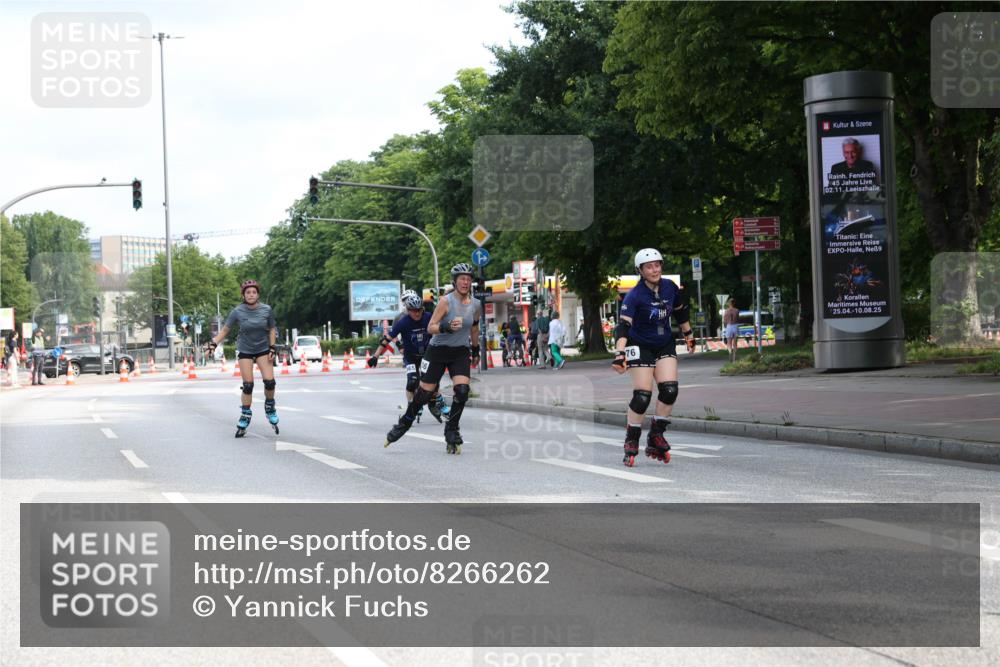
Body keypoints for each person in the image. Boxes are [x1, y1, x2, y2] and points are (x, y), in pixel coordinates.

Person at [385, 263, 481, 454]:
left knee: (462, 391)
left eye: (468, 279)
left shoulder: (476, 305)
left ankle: (452, 430)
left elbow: (474, 327)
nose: (465, 282)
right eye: (462, 279)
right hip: (437, 350)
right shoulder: (446, 302)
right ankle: (404, 423)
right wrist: (446, 328)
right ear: (455, 281)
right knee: (423, 395)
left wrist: (476, 349)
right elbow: (431, 327)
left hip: (460, 351)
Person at [611, 248, 696, 467]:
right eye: (649, 266)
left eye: (657, 265)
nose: (654, 269)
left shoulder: (670, 287)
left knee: (670, 390)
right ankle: (632, 440)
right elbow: (623, 327)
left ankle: (656, 435)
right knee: (642, 396)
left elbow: (680, 312)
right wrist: (620, 353)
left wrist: (688, 335)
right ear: (640, 270)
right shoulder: (635, 295)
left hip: (664, 342)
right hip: (639, 345)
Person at [208, 280, 280, 437]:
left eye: (254, 292)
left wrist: (272, 347)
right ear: (243, 295)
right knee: (248, 385)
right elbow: (225, 330)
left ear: (258, 294)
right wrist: (213, 345)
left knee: (270, 382)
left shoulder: (266, 310)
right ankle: (245, 415)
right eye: (248, 292)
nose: (251, 295)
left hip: (263, 349)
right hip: (245, 349)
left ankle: (270, 406)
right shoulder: (237, 311)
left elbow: (272, 329)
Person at [367, 290, 448, 423]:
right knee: (412, 381)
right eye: (413, 310)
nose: (416, 313)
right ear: (407, 309)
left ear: (422, 309)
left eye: (419, 310)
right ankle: (412, 408)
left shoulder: (428, 317)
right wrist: (375, 356)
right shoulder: (402, 321)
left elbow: (442, 329)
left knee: (432, 383)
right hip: (410, 356)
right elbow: (387, 339)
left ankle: (436, 403)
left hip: (427, 355)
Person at [723, 298, 740, 363]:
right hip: (735, 326)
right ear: (734, 303)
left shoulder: (726, 311)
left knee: (729, 343)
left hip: (729, 326)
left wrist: (725, 327)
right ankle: (734, 358)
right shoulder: (737, 310)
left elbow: (724, 321)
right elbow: (738, 318)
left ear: (729, 304)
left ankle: (730, 352)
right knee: (735, 343)